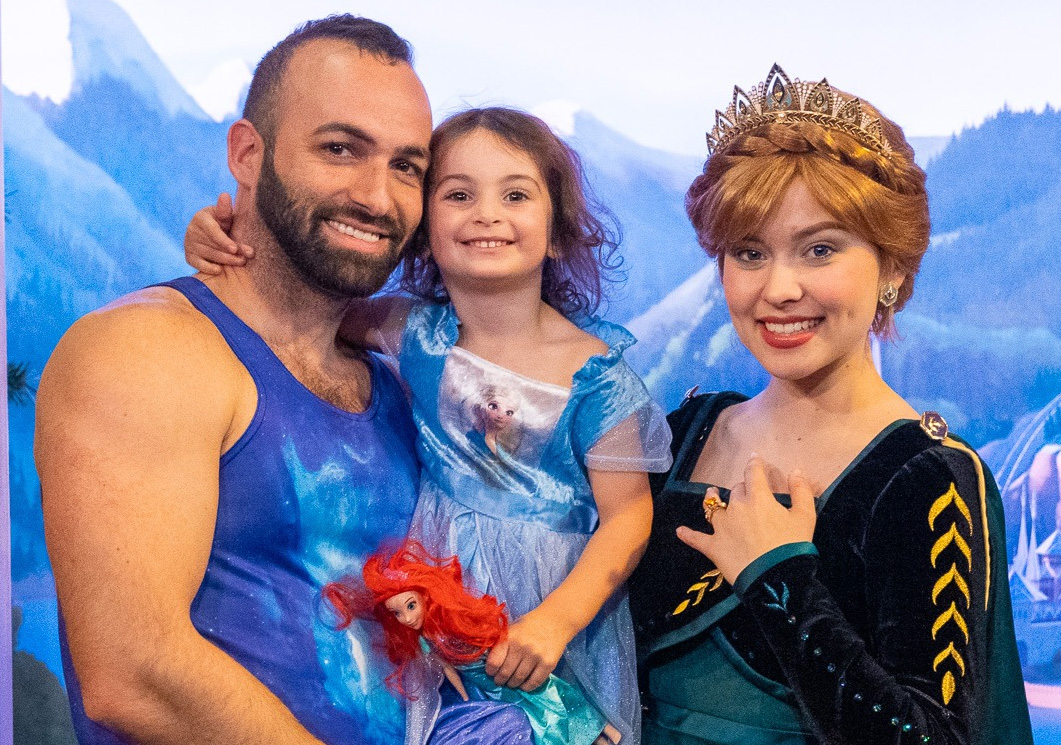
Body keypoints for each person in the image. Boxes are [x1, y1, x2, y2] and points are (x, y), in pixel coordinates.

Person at [36, 16, 532, 745]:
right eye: (340, 149)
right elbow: (132, 671)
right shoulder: (148, 349)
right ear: (246, 153)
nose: (375, 194)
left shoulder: (400, 383)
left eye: (406, 167)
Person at [185, 106, 674, 743]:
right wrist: (227, 241)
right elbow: (294, 300)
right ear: (422, 226)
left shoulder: (599, 378)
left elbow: (630, 516)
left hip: (547, 597)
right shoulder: (411, 331)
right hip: (433, 584)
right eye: (458, 194)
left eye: (517, 194)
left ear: (557, 231)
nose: (487, 214)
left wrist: (555, 622)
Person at [629, 65, 1032, 745]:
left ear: (893, 266)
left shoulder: (923, 476)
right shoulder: (680, 435)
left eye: (819, 249)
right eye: (749, 252)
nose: (779, 287)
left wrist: (778, 577)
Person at [323, 539, 623, 745]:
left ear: (427, 597)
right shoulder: (426, 637)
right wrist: (466, 698)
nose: (406, 618)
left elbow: (485, 632)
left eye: (410, 606)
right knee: (535, 714)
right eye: (397, 614)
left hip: (495, 664)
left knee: (550, 693)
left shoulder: (453, 620)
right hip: (483, 684)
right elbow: (447, 670)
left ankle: (603, 729)